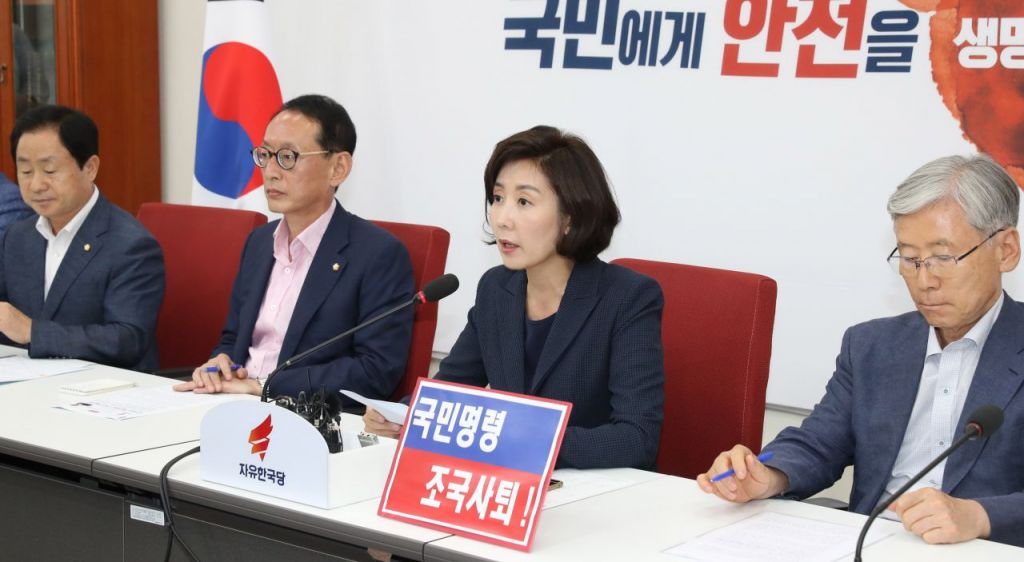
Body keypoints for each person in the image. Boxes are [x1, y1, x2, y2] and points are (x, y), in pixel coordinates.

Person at [697, 154, 1024, 548]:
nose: (924, 280)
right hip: (867, 542)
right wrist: (768, 475)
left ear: (1006, 250)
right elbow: (819, 444)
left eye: (943, 257)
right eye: (910, 258)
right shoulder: (873, 345)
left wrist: (979, 516)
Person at [364, 126, 665, 469]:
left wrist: (520, 441)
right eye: (497, 198)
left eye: (523, 202)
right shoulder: (497, 289)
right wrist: (403, 414)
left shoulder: (628, 298)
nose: (502, 219)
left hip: (594, 490)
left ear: (570, 217)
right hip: (510, 483)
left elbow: (637, 437)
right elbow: (451, 389)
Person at [174, 94, 414, 399]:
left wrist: (265, 386)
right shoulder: (259, 242)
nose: (270, 171)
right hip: (233, 400)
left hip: (302, 413)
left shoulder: (377, 254)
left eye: (287, 157)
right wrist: (220, 363)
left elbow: (374, 370)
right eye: (265, 154)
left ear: (338, 168)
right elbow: (234, 338)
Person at [0, 105, 164, 372]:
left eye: (50, 170)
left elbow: (127, 340)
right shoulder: (17, 236)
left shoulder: (131, 245)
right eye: (26, 172)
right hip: (27, 381)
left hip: (108, 387)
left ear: (90, 168)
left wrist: (32, 332)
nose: (36, 185)